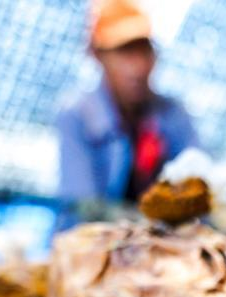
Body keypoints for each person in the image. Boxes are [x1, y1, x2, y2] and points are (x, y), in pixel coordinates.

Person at [56, 0, 198, 230]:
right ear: (97, 54)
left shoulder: (173, 115)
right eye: (125, 52)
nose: (139, 67)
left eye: (144, 50)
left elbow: (198, 185)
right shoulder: (78, 115)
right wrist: (151, 222)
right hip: (94, 242)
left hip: (157, 241)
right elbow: (82, 206)